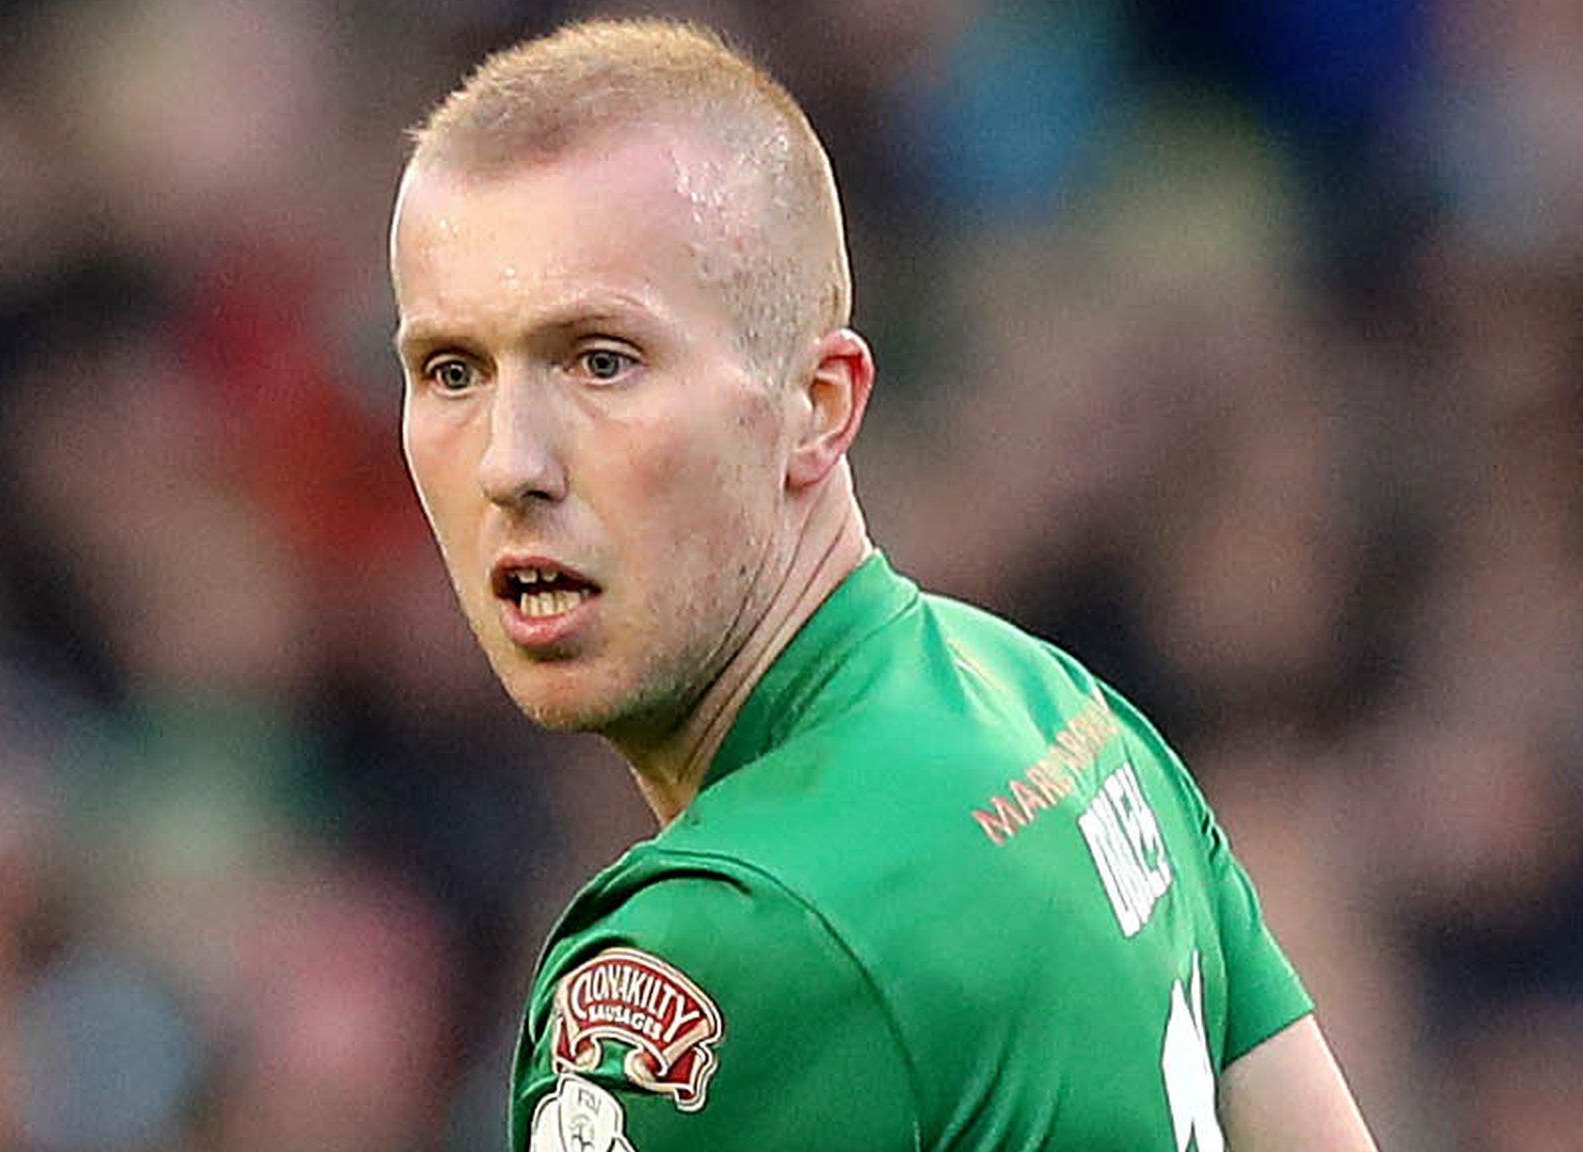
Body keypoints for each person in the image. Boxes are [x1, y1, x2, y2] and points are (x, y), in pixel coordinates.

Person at [389, 18, 1378, 1152]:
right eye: (450, 370)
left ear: (818, 406)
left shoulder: (719, 952)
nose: (511, 461)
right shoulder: (1059, 710)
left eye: (600, 360)